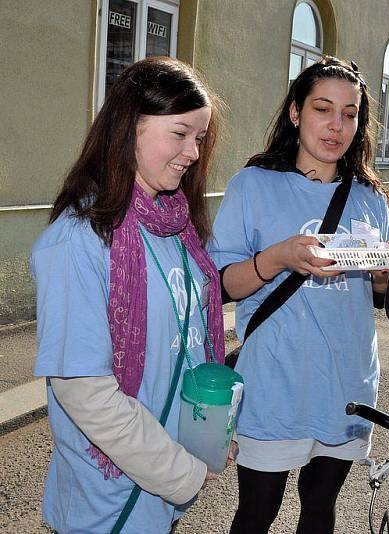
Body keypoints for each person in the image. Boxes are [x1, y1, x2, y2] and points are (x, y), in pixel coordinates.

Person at [31, 56, 225, 533]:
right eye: (179, 134)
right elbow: (86, 393)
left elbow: (188, 347)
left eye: (199, 138)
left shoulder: (176, 227)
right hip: (107, 501)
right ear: (127, 129)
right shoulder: (77, 240)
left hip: (161, 488)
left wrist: (206, 434)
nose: (194, 153)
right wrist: (181, 473)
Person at [209, 56, 389, 533]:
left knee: (320, 507)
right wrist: (278, 258)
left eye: (350, 114)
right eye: (322, 109)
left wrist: (383, 277)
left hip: (346, 384)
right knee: (257, 510)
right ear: (295, 113)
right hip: (274, 382)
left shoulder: (371, 199)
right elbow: (222, 285)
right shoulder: (253, 186)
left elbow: (381, 296)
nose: (337, 126)